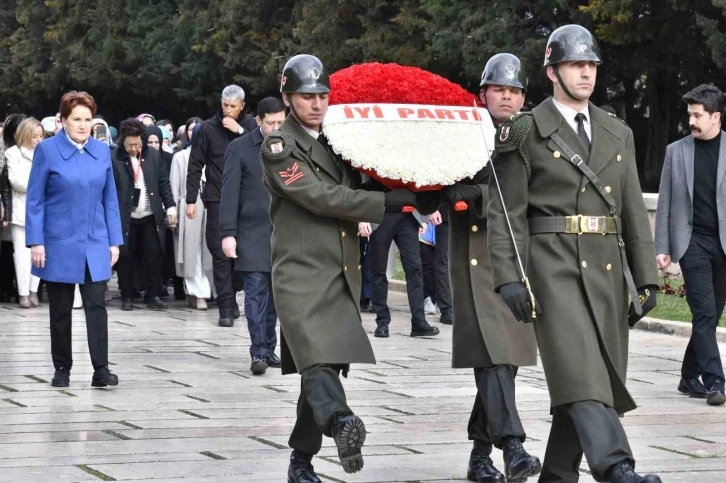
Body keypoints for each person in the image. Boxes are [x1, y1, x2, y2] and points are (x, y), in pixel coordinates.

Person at [488, 25, 662, 483]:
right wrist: (509, 274)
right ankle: (617, 468)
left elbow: (630, 210)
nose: (586, 74)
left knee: (589, 378)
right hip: (553, 265)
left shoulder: (617, 131)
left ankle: (557, 477)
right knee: (580, 367)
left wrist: (646, 276)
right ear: (552, 71)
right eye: (575, 65)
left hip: (605, 269)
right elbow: (506, 211)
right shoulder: (522, 130)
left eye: (591, 66)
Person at [261, 54, 425, 483]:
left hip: (339, 272)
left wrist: (415, 182)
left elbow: (367, 177)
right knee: (316, 360)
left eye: (321, 95)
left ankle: (301, 462)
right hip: (299, 271)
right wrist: (383, 204)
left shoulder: (339, 141)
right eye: (305, 96)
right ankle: (340, 422)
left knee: (324, 364)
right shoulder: (278, 146)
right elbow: (320, 197)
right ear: (287, 97)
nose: (316, 104)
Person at [443, 53, 541, 483]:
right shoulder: (463, 132)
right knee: (494, 354)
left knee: (507, 356)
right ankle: (513, 446)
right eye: (499, 89)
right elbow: (433, 183)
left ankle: (480, 456)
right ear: (483, 93)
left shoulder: (530, 134)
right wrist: (458, 189)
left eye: (515, 90)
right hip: (477, 253)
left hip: (520, 253)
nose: (507, 96)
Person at [25, 91, 122, 388]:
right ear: (63, 120)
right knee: (60, 309)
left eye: (87, 119)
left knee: (96, 304)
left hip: (94, 240)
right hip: (58, 241)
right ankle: (62, 367)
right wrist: (36, 241)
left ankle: (101, 368)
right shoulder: (47, 150)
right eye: (76, 119)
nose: (82, 125)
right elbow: (35, 199)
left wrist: (114, 240)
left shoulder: (102, 151)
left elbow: (110, 200)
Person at [655, 84, 726, 406]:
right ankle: (715, 382)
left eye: (698, 115)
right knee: (704, 312)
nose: (692, 121)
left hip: (723, 245)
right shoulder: (677, 151)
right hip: (691, 242)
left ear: (716, 117)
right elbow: (666, 201)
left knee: (711, 315)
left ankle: (688, 376)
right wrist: (662, 246)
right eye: (690, 115)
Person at [221, 97, 285, 374]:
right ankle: (257, 351)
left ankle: (270, 348)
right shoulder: (240, 148)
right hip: (251, 232)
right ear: (258, 121)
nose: (276, 127)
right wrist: (228, 233)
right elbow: (229, 193)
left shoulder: (289, 147)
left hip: (282, 233)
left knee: (275, 297)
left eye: (281, 122)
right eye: (270, 123)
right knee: (255, 294)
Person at [186, 84, 258, 327]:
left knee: (241, 254)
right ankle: (225, 308)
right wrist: (190, 199)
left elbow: (262, 154)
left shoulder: (250, 127)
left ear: (242, 107)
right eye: (225, 105)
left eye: (233, 107)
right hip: (216, 197)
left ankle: (234, 291)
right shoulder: (207, 128)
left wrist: (239, 131)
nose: (228, 111)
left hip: (246, 199)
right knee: (219, 254)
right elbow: (195, 163)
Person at [112, 119, 177, 311]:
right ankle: (126, 295)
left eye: (138, 144)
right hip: (125, 216)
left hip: (150, 215)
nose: (134, 148)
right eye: (130, 144)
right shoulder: (114, 158)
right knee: (126, 257)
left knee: (154, 255)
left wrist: (171, 206)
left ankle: (153, 295)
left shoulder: (154, 156)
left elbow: (163, 183)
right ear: (123, 141)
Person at [359, 202, 439, 338]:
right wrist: (362, 217)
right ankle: (382, 322)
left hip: (408, 215)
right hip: (381, 213)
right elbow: (363, 183)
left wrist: (423, 217)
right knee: (378, 269)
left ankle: (419, 322)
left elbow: (417, 184)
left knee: (415, 268)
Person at [170, 118, 212, 310]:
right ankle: (200, 293)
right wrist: (172, 214)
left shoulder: (215, 156)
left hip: (211, 204)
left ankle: (201, 291)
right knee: (192, 252)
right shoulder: (180, 157)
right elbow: (174, 187)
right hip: (189, 206)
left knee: (209, 250)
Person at [6, 118, 44, 308]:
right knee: (21, 255)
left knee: (39, 253)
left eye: (40, 136)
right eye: (33, 136)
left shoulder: (46, 153)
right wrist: (39, 183)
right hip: (20, 211)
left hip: (42, 212)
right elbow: (16, 181)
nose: (37, 140)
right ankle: (22, 293)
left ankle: (34, 291)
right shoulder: (12, 154)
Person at [423, 207, 453, 324]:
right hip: (444, 212)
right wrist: (432, 208)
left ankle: (462, 307)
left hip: (470, 211)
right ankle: (447, 310)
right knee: (443, 261)